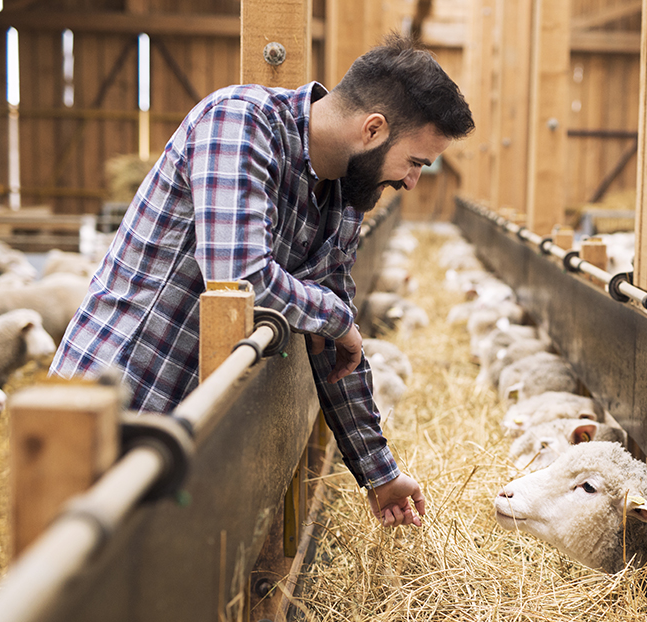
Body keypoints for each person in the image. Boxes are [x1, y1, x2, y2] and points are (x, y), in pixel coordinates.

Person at [50, 33, 474, 528]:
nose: (411, 182)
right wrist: (338, 319)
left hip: (195, 422)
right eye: (416, 161)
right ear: (373, 129)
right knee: (67, 582)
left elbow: (338, 347)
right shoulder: (240, 122)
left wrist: (380, 474)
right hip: (118, 399)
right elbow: (238, 276)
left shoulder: (342, 200)